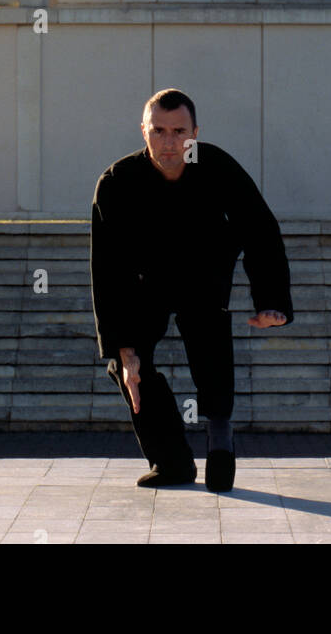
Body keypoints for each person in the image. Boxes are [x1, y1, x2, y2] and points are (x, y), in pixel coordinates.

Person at [90, 88, 293, 492]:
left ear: (195, 132)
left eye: (180, 132)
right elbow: (107, 269)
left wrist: (271, 300)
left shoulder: (216, 166)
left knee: (207, 336)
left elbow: (260, 229)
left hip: (205, 270)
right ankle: (172, 463)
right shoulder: (117, 183)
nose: (170, 143)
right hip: (144, 281)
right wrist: (126, 350)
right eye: (159, 131)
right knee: (126, 366)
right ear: (143, 131)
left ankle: (220, 430)